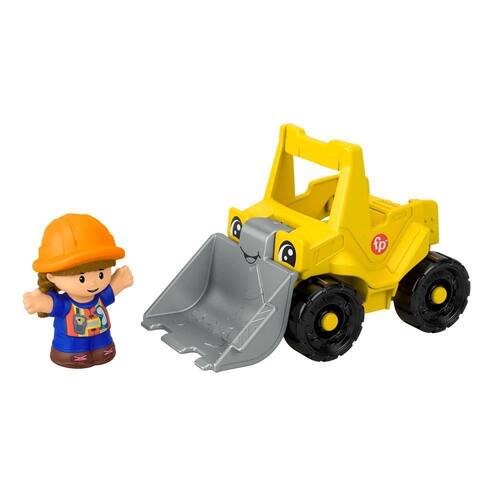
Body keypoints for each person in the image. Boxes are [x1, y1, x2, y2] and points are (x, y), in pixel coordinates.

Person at [23, 214, 133, 368]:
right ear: (52, 276)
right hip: (70, 345)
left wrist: (119, 281)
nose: (93, 282)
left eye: (101, 274)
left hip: (102, 338)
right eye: (82, 278)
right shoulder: (65, 304)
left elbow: (112, 289)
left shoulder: (99, 297)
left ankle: (102, 349)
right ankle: (75, 353)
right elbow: (52, 304)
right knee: (75, 351)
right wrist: (39, 302)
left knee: (103, 347)